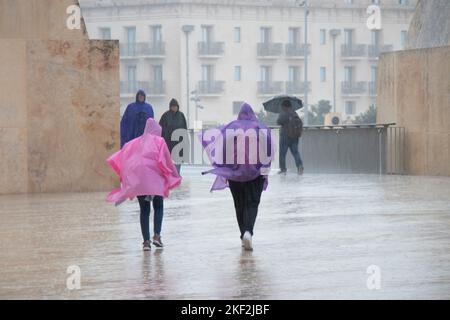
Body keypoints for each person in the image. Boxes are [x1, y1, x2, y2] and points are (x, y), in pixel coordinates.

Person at [111, 90, 180, 251]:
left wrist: (128, 178)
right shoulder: (160, 142)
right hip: (155, 182)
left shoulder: (135, 143)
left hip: (141, 183)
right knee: (158, 206)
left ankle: (146, 242)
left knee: (144, 210)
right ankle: (157, 235)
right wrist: (172, 176)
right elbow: (165, 162)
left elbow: (127, 159)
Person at [201, 103, 273, 251]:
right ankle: (248, 232)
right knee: (252, 203)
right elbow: (268, 150)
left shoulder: (232, 127)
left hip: (235, 174)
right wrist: (265, 173)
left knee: (239, 204)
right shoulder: (259, 127)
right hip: (255, 173)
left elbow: (223, 149)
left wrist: (226, 170)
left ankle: (243, 235)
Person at [159, 98, 188, 175]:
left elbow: (184, 129)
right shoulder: (165, 116)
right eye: (173, 106)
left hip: (179, 143)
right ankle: (169, 175)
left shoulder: (181, 116)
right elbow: (161, 128)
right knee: (168, 160)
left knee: (178, 160)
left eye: (175, 106)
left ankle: (177, 174)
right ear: (170, 107)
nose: (174, 108)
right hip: (168, 142)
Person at [277, 99, 304, 175]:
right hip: (294, 137)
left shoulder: (283, 113)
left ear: (284, 106)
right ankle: (300, 165)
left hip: (285, 137)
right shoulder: (294, 113)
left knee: (282, 154)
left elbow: (278, 121)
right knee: (295, 152)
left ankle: (283, 169)